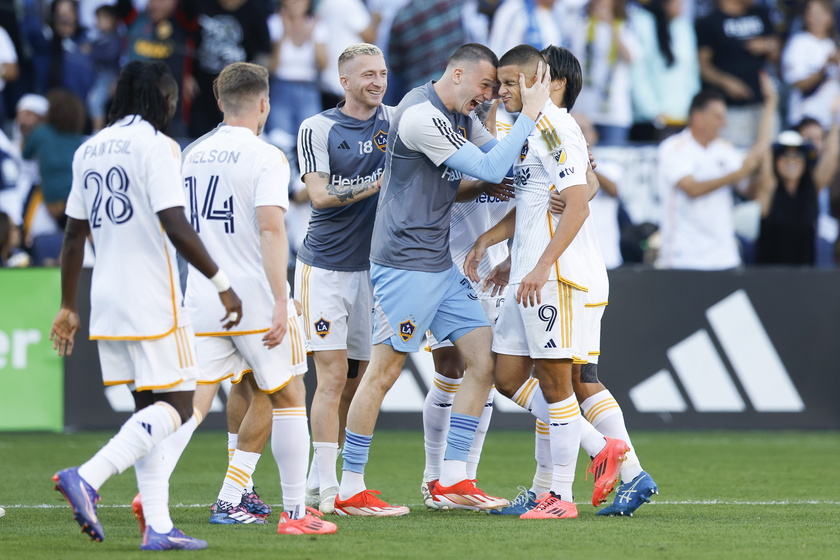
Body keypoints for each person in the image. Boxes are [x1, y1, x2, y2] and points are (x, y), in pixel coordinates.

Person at [332, 43, 551, 516]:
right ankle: (349, 486)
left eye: (496, 88)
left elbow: (505, 163)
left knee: (483, 361)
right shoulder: (419, 117)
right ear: (456, 73)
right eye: (485, 86)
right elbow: (492, 168)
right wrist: (530, 115)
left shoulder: (461, 115)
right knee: (383, 374)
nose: (490, 97)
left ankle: (452, 477)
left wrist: (554, 158)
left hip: (438, 263)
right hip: (403, 264)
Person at [50, 59, 243, 550]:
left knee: (147, 412)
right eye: (172, 98)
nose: (175, 106)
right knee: (179, 406)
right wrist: (221, 281)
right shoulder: (158, 147)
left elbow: (73, 236)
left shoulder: (89, 148)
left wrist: (68, 305)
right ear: (158, 99)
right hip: (153, 296)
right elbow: (176, 224)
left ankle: (157, 526)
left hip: (106, 296)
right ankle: (88, 477)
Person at [464, 44, 630, 520]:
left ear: (541, 81)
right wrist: (500, 249)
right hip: (526, 275)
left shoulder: (556, 127)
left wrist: (539, 267)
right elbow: (535, 204)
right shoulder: (529, 129)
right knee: (508, 376)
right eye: (501, 83)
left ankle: (559, 497)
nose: (504, 92)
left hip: (551, 278)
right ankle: (600, 446)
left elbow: (577, 203)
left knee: (558, 384)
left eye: (513, 83)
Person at [175, 61, 336, 535]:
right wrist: (281, 296)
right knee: (287, 393)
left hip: (204, 296)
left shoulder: (192, 154)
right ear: (264, 103)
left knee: (208, 397)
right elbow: (270, 229)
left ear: (221, 102)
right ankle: (291, 512)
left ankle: (163, 487)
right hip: (253, 297)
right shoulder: (266, 156)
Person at [294, 43, 391, 514]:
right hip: (326, 268)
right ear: (345, 82)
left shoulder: (394, 121)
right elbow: (319, 194)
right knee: (331, 379)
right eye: (367, 75)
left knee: (355, 379)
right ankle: (329, 490)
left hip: (372, 272)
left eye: (383, 72)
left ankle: (322, 478)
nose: (377, 81)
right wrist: (377, 183)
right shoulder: (318, 127)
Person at [657, 77, 776, 270]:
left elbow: (749, 189)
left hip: (724, 256)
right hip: (684, 257)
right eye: (718, 117)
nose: (724, 124)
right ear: (698, 117)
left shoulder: (724, 149)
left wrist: (759, 166)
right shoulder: (673, 148)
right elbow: (692, 188)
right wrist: (739, 173)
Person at [696, 0, 779, 147]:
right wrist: (727, 82)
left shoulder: (760, 14)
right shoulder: (709, 21)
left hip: (764, 103)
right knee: (737, 159)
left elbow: (778, 50)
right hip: (730, 109)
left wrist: (767, 44)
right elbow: (703, 67)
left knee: (768, 154)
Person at [568, 0, 638, 145]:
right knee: (582, 161)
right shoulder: (580, 27)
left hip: (614, 113)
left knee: (612, 163)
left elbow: (630, 57)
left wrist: (611, 25)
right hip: (584, 111)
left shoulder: (624, 27)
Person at [630, 0, 700, 141]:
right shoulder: (641, 23)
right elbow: (637, 73)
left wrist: (694, 108)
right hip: (650, 120)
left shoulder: (683, 27)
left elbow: (692, 72)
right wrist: (652, 111)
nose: (681, 4)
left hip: (683, 117)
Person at [780, 0, 840, 130]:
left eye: (821, 13)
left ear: (830, 17)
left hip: (833, 119)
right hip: (806, 119)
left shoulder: (833, 44)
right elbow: (799, 84)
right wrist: (825, 66)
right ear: (805, 17)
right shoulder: (798, 43)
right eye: (812, 14)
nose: (817, 18)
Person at [83, 4, 122, 131]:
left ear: (112, 20)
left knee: (95, 101)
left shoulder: (115, 38)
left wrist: (92, 50)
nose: (99, 22)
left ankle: (97, 133)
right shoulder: (97, 37)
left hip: (109, 77)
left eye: (103, 18)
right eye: (98, 18)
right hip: (95, 75)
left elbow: (110, 55)